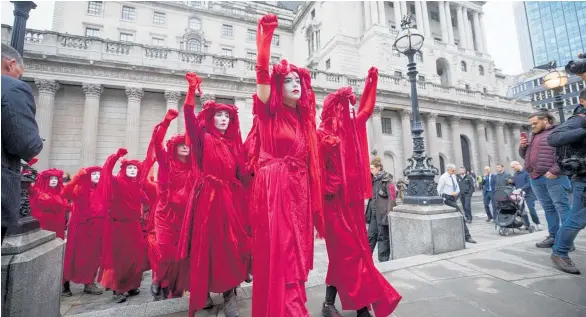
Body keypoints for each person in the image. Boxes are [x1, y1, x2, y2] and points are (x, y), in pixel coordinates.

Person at [242, 14, 324, 317]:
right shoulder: (268, 113)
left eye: (298, 80)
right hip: (275, 189)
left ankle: (290, 305)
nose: (296, 84)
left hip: (298, 191)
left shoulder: (304, 122)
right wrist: (264, 37)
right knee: (284, 254)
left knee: (297, 254)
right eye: (288, 80)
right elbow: (262, 77)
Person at [317, 71, 402, 317]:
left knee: (350, 254)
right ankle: (362, 305)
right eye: (343, 107)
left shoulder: (352, 128)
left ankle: (329, 303)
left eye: (349, 107)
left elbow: (366, 109)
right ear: (333, 109)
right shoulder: (322, 133)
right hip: (333, 205)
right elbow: (313, 167)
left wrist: (371, 84)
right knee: (350, 253)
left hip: (353, 204)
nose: (349, 111)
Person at [177, 73, 250, 317]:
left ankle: (229, 295)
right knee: (205, 247)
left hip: (229, 200)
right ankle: (204, 291)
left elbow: (242, 174)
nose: (223, 119)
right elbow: (189, 119)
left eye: (227, 116)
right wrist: (191, 91)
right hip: (207, 201)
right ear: (211, 117)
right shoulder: (203, 139)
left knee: (229, 247)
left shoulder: (233, 145)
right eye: (219, 114)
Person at [143, 109, 193, 301]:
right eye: (181, 145)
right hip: (165, 215)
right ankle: (157, 278)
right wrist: (165, 123)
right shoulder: (166, 165)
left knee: (181, 258)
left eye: (187, 145)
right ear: (174, 147)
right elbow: (157, 143)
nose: (185, 147)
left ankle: (173, 291)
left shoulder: (193, 167)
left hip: (186, 216)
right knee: (166, 254)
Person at [1, 43, 44, 242]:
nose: (19, 77)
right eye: (19, 73)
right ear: (10, 64)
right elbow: (26, 144)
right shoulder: (11, 88)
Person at [97, 148, 148, 303]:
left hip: (134, 226)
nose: (133, 170)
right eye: (129, 168)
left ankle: (132, 285)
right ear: (124, 170)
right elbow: (106, 172)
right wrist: (115, 157)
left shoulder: (138, 186)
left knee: (135, 257)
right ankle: (118, 289)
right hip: (118, 227)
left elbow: (147, 200)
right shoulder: (116, 182)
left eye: (135, 168)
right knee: (119, 258)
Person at [547, 87, 586, 274]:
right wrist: (583, 131)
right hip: (583, 177)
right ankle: (560, 252)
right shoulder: (579, 120)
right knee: (578, 218)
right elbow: (553, 138)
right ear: (583, 101)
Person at [520, 111, 571, 249]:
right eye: (531, 124)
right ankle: (554, 236)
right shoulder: (535, 135)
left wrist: (555, 170)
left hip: (553, 176)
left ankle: (567, 241)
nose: (532, 127)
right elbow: (525, 156)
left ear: (546, 120)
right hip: (536, 177)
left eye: (535, 123)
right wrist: (523, 147)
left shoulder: (558, 132)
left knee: (561, 206)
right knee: (548, 208)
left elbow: (566, 154)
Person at [61, 166, 104, 296]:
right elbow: (65, 192)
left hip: (96, 229)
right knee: (73, 255)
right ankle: (65, 284)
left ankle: (89, 282)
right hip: (80, 228)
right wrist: (77, 177)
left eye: (99, 174)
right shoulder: (80, 189)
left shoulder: (102, 191)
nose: (97, 176)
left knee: (93, 256)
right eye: (94, 174)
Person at [437, 164, 477, 244]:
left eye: (455, 170)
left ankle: (456, 236)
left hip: (453, 198)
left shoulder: (453, 176)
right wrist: (443, 199)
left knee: (453, 217)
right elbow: (439, 189)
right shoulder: (443, 177)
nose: (455, 171)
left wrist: (457, 192)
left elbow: (456, 186)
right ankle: (467, 236)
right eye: (453, 170)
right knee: (461, 216)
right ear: (449, 169)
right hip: (447, 199)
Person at [366, 158, 396, 262]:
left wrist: (388, 214)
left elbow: (392, 198)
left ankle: (383, 262)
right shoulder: (372, 180)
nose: (370, 170)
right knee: (370, 237)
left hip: (383, 215)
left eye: (372, 168)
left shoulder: (388, 180)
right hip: (373, 215)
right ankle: (366, 261)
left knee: (383, 238)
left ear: (379, 168)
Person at [29, 168, 69, 239]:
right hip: (44, 224)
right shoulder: (38, 192)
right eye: (51, 178)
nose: (54, 180)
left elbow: (67, 206)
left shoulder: (62, 193)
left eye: (56, 178)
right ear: (46, 180)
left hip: (58, 224)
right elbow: (29, 189)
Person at [510, 161, 542, 231]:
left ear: (517, 164)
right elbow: (515, 183)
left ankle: (537, 223)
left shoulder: (526, 172)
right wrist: (511, 183)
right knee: (522, 211)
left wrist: (521, 189)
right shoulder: (516, 174)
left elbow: (529, 183)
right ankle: (527, 225)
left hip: (529, 194)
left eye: (513, 167)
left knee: (531, 209)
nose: (513, 169)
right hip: (520, 195)